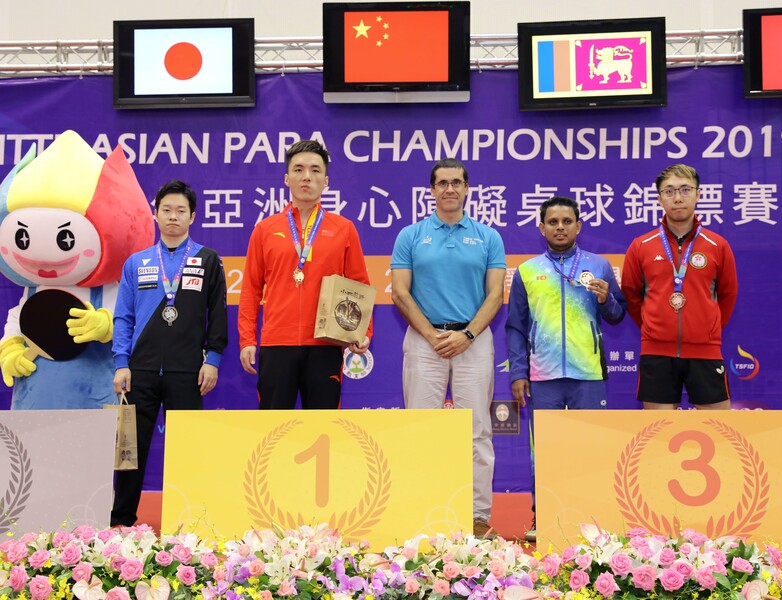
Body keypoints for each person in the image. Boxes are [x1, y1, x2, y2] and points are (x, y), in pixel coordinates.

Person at [390, 158, 506, 539]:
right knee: (422, 428)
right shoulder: (411, 235)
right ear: (432, 190)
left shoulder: (488, 237)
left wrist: (467, 335)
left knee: (477, 431)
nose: (450, 189)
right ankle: (423, 506)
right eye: (442, 183)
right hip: (425, 341)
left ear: (468, 188)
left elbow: (494, 295)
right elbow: (401, 292)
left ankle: (477, 516)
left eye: (457, 182)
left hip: (473, 341)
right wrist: (430, 334)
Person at [505, 195, 626, 542]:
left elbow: (618, 315)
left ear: (578, 226)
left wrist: (605, 299)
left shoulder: (599, 266)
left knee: (590, 446)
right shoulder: (527, 271)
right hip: (543, 375)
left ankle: (593, 519)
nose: (560, 227)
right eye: (553, 222)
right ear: (541, 227)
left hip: (588, 373)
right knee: (542, 449)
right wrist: (518, 373)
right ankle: (542, 517)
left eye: (567, 221)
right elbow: (515, 325)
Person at [111, 179, 228, 527]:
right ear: (155, 214)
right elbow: (124, 316)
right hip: (140, 371)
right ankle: (121, 522)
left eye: (181, 211)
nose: (173, 217)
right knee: (129, 452)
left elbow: (218, 315)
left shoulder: (208, 260)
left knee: (188, 451)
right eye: (166, 210)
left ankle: (186, 524)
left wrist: (213, 360)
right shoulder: (137, 262)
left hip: (188, 371)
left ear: (192, 216)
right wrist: (121, 363)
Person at [238, 139, 371, 409]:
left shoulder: (344, 228)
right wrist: (247, 339)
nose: (306, 177)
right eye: (298, 170)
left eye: (315, 170)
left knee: (323, 430)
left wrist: (363, 331)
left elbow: (359, 284)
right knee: (274, 430)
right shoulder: (265, 229)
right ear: (286, 179)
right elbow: (251, 288)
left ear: (326, 180)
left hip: (326, 343)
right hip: (277, 345)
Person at [622, 164, 737, 410]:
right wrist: (653, 326)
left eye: (685, 190)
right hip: (656, 353)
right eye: (669, 191)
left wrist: (708, 328)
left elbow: (728, 294)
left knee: (717, 432)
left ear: (698, 194)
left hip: (705, 351)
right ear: (659, 198)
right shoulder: (641, 245)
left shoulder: (717, 245)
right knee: (658, 434)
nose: (678, 198)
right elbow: (631, 294)